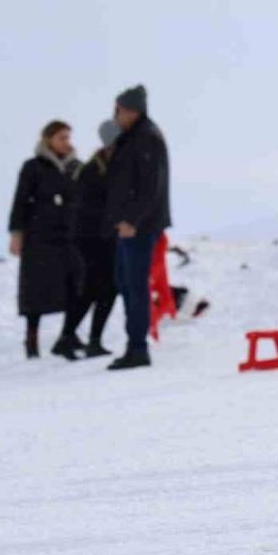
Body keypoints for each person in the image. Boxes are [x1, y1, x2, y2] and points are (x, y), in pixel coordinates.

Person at [104, 85, 171, 371]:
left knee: (134, 284)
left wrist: (132, 220)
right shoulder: (135, 137)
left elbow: (149, 187)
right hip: (130, 226)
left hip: (139, 227)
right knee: (126, 281)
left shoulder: (145, 138)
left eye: (117, 111)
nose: (115, 116)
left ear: (126, 110)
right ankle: (135, 344)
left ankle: (137, 347)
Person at [8, 120, 82, 360]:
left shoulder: (77, 168)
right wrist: (17, 234)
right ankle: (31, 341)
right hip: (39, 236)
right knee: (36, 290)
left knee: (75, 285)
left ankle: (68, 337)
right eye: (62, 137)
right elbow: (20, 201)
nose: (67, 142)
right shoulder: (33, 167)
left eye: (69, 137)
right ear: (48, 139)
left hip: (70, 235)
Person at [54, 120, 121, 359]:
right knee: (104, 288)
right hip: (93, 237)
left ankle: (72, 338)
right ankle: (84, 340)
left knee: (96, 289)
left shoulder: (101, 164)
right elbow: (95, 206)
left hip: (95, 236)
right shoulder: (99, 168)